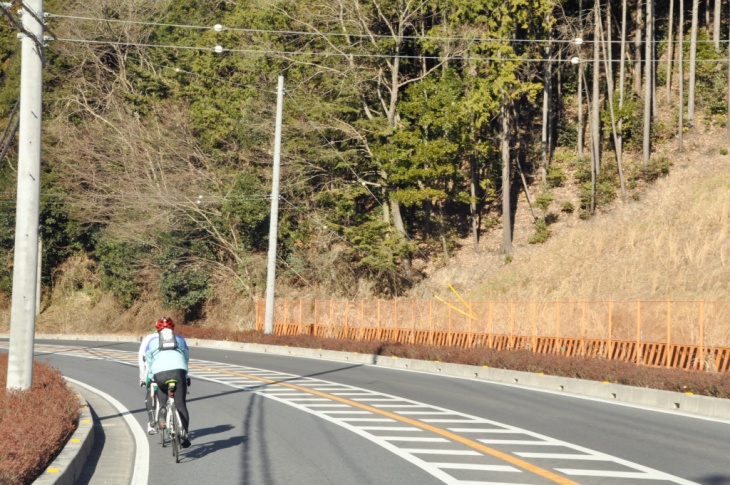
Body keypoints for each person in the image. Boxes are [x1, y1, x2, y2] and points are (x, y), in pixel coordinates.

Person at [144, 317, 192, 448]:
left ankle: (163, 410)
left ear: (158, 330)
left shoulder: (152, 342)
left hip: (160, 374)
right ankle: (184, 435)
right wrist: (185, 375)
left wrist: (150, 377)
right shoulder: (180, 340)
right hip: (178, 371)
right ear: (172, 329)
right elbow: (186, 357)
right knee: (181, 405)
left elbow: (149, 362)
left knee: (162, 395)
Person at [138, 321, 165, 435]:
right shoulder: (175, 338)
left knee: (150, 391)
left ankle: (151, 420)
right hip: (170, 371)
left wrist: (143, 378)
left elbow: (141, 358)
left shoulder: (149, 338)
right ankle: (167, 416)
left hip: (153, 372)